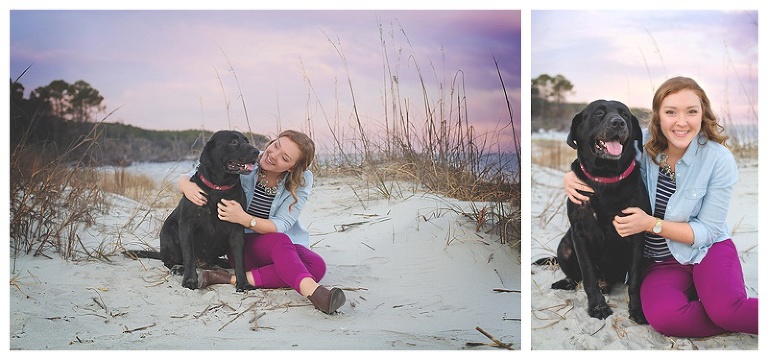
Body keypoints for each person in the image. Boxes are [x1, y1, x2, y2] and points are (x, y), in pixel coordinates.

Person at [563, 76, 758, 337]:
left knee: (726, 311)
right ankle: (716, 307)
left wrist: (650, 224)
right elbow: (601, 164)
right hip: (661, 262)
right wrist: (572, 175)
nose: (681, 121)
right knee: (665, 320)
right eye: (670, 112)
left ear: (703, 114)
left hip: (707, 250)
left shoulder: (718, 159)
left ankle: (725, 310)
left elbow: (708, 232)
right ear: (658, 117)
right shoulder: (644, 150)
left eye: (691, 111)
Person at [178, 129, 346, 315]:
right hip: (242, 245)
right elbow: (196, 172)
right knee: (280, 242)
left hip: (275, 245)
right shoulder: (245, 159)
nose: (272, 156)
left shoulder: (302, 180)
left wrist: (244, 218)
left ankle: (226, 278)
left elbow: (282, 224)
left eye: (284, 158)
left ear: (291, 168)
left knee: (317, 266)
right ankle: (316, 294)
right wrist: (185, 185)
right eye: (275, 146)